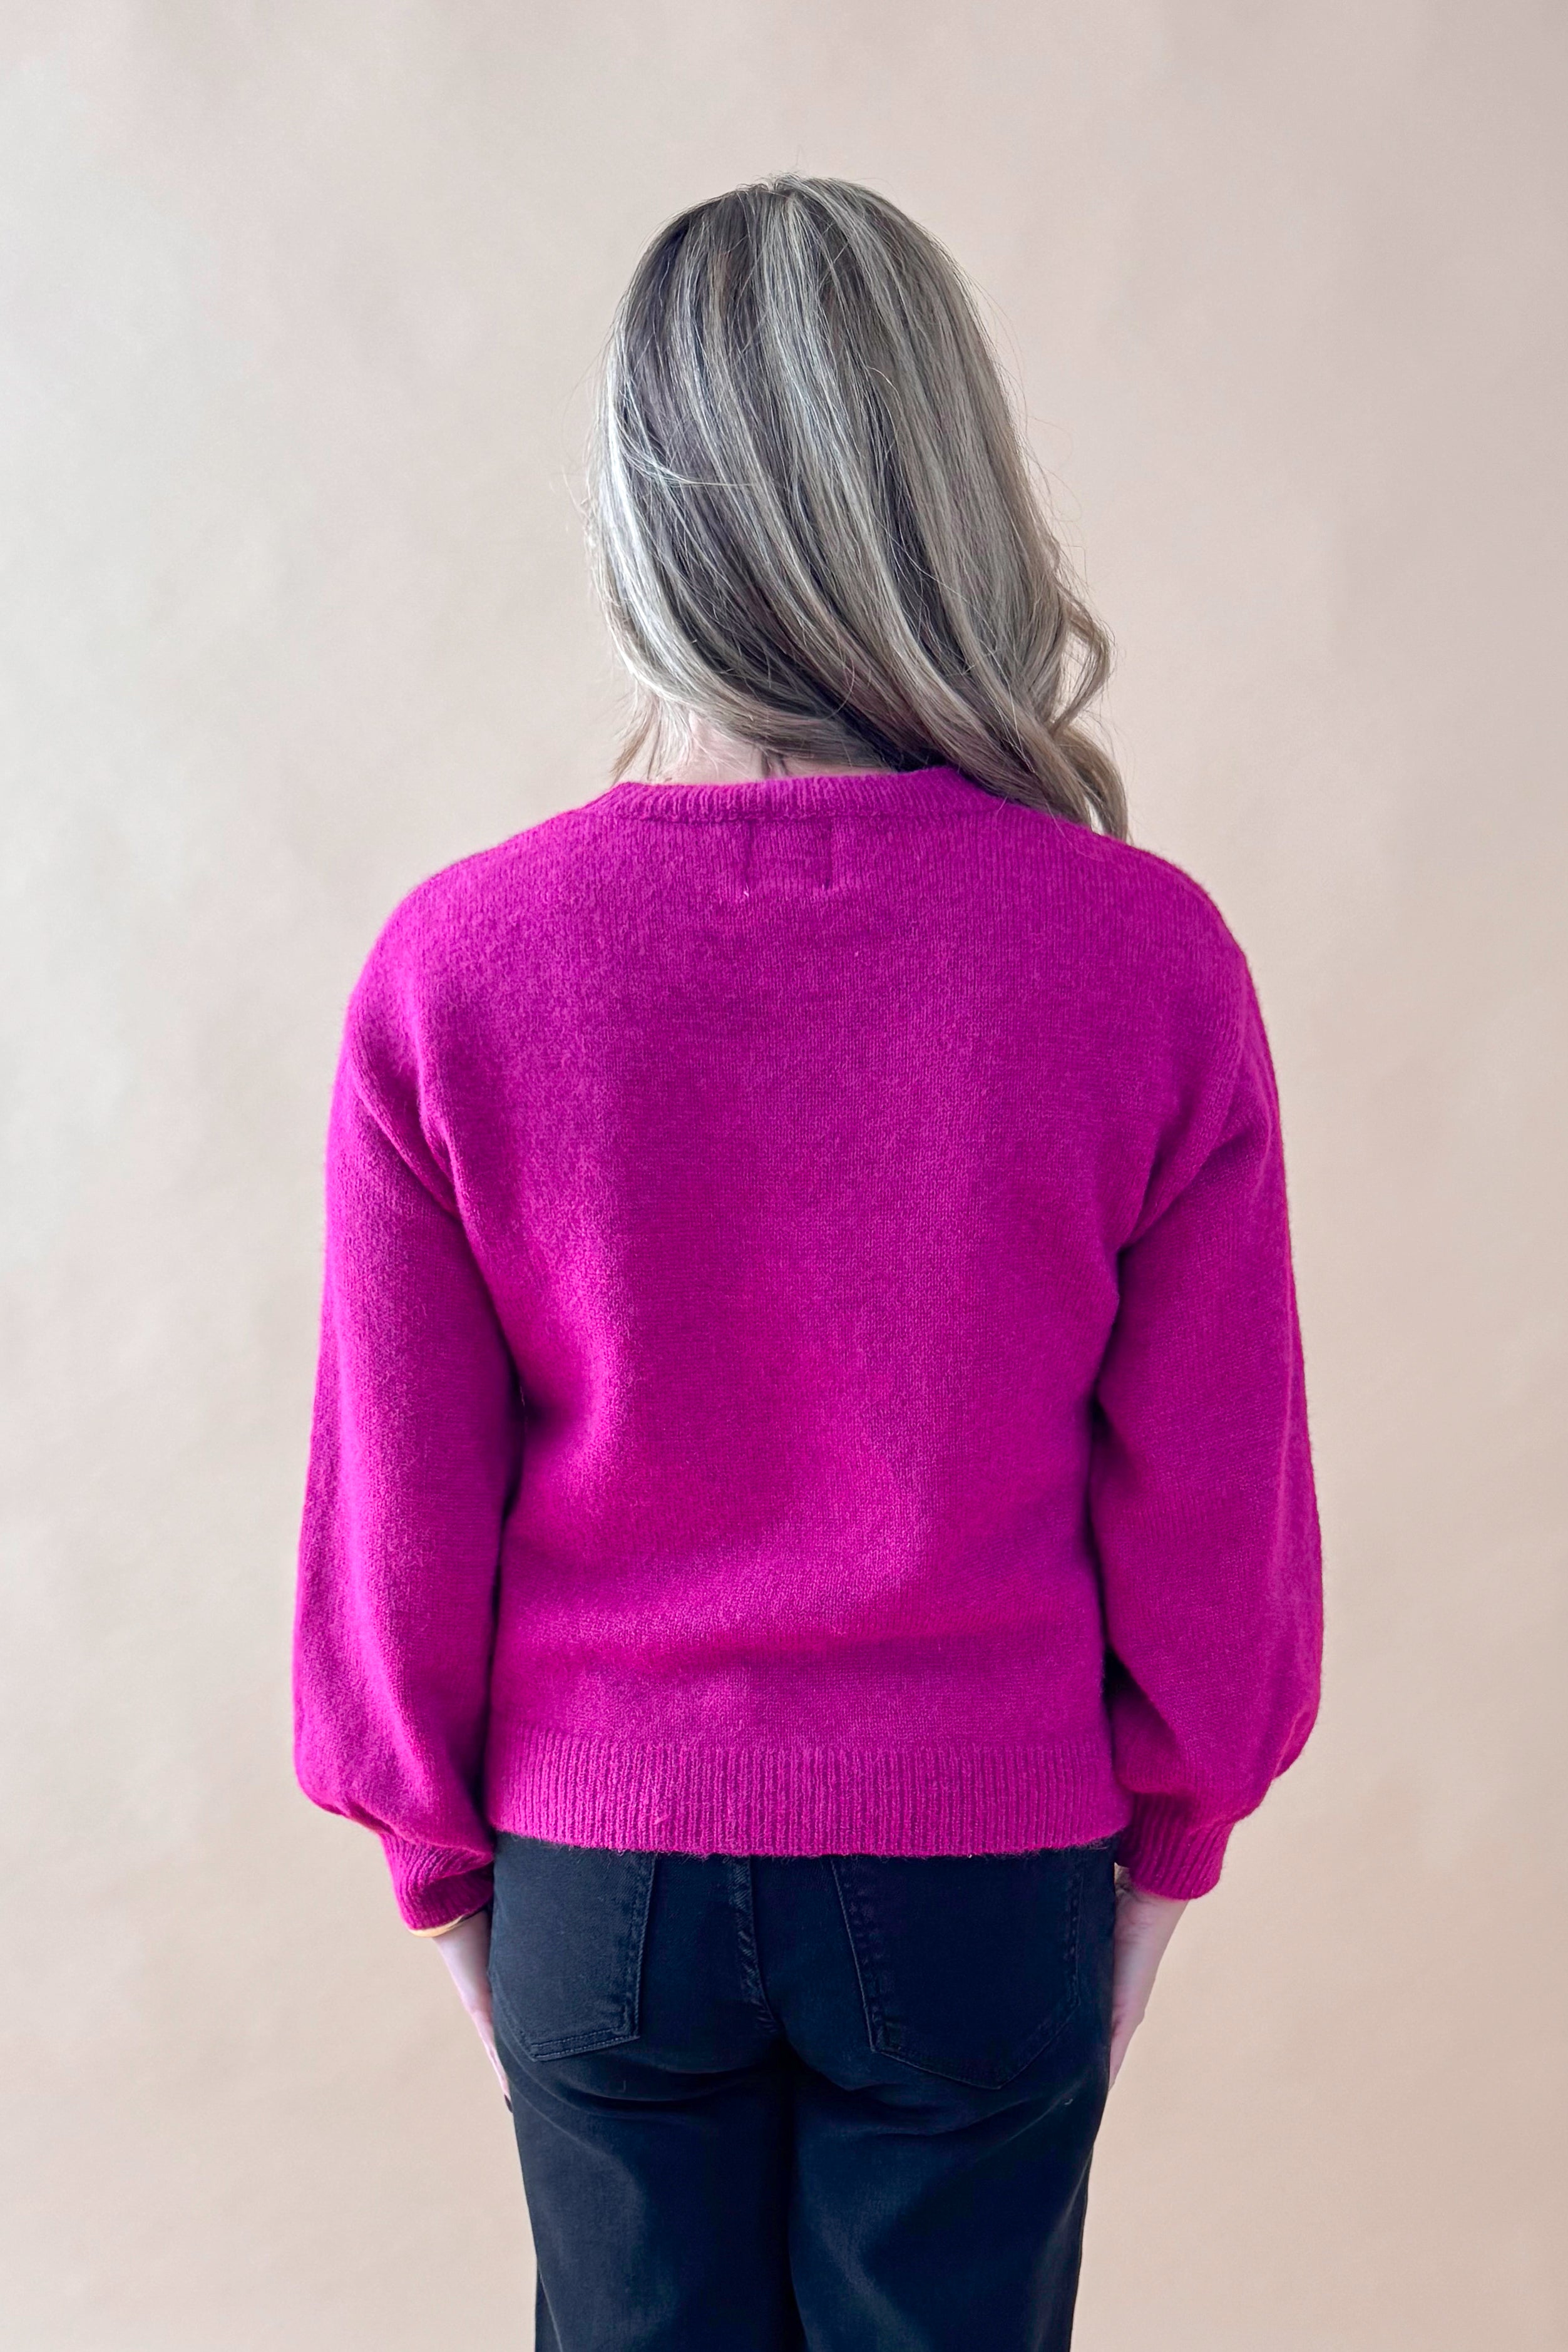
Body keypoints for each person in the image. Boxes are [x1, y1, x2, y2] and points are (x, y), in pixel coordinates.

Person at [291, 173, 1323, 2350]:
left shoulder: (457, 969)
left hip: (603, 1870)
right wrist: (1161, 1862)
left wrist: (456, 1880)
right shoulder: (1140, 961)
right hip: (984, 1873)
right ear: (955, 495)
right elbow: (1215, 1517)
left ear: (636, 522)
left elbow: (397, 1511)